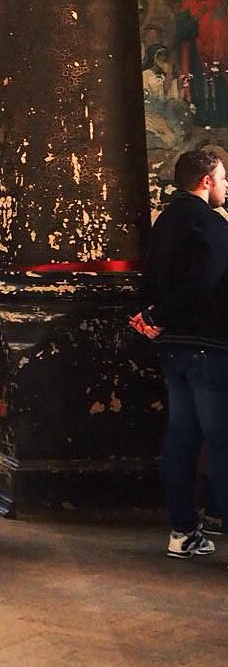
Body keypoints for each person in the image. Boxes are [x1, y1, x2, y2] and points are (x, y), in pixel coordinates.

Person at [131, 143, 228, 558]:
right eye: (223, 178)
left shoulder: (165, 221)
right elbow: (203, 282)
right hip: (209, 344)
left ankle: (183, 532)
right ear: (206, 181)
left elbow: (151, 277)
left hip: (172, 346)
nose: (226, 185)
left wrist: (150, 316)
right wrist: (160, 314)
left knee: (181, 438)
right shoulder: (212, 224)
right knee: (222, 441)